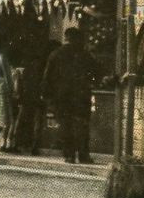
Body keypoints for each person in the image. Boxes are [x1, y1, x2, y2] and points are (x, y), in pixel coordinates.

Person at [43, 27, 102, 164]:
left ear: (66, 38)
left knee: (65, 125)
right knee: (82, 125)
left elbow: (47, 77)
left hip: (61, 96)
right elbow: (97, 71)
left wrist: (48, 96)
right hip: (81, 95)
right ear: (78, 39)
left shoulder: (55, 54)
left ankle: (69, 155)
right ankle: (83, 155)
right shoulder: (84, 54)